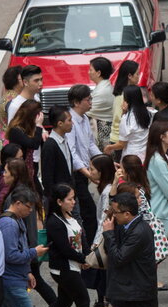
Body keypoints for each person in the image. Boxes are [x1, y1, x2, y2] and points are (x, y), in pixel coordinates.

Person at [0, 187, 53, 307]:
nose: (30, 212)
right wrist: (33, 253)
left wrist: (27, 272)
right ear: (18, 203)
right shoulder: (9, 224)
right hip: (10, 281)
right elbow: (11, 254)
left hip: (14, 278)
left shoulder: (14, 221)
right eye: (28, 207)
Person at [36, 184, 93, 307]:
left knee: (64, 302)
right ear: (60, 201)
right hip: (63, 269)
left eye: (74, 198)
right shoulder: (54, 222)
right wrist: (84, 259)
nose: (73, 202)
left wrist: (87, 255)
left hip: (73, 266)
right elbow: (65, 249)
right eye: (70, 199)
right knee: (83, 301)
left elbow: (80, 240)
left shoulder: (70, 216)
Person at [67, 84, 102, 246]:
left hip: (84, 172)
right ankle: (88, 246)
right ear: (76, 102)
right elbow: (72, 153)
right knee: (87, 212)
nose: (90, 102)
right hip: (76, 174)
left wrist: (103, 160)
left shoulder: (85, 119)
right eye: (87, 99)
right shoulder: (70, 122)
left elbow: (90, 145)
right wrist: (87, 173)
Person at [88, 154, 117, 307]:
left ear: (101, 172)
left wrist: (96, 241)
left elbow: (104, 219)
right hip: (105, 235)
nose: (90, 171)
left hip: (104, 236)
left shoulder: (107, 192)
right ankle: (101, 302)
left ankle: (105, 303)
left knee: (102, 273)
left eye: (92, 169)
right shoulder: (106, 187)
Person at [104, 85, 155, 160]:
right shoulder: (148, 113)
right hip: (145, 154)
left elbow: (121, 144)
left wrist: (110, 147)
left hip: (131, 157)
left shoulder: (127, 118)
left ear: (127, 100)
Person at [6, 99, 44, 184]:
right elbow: (33, 144)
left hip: (29, 169)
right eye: (38, 114)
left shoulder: (28, 127)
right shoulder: (16, 130)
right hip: (19, 172)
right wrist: (38, 126)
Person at [41, 106, 75, 196]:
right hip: (59, 199)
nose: (73, 123)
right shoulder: (50, 146)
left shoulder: (64, 139)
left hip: (69, 195)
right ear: (60, 123)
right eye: (69, 120)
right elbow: (47, 178)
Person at [109, 61, 141, 156]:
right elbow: (119, 118)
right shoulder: (122, 96)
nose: (139, 76)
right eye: (137, 74)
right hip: (120, 139)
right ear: (130, 76)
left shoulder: (129, 92)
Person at [88, 57, 115, 150]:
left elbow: (87, 110)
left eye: (91, 70)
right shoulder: (104, 87)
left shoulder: (102, 91)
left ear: (98, 73)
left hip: (104, 133)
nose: (89, 72)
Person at [0, 66, 22, 144]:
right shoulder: (15, 101)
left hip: (3, 138)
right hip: (12, 143)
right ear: (15, 82)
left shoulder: (6, 93)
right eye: (22, 78)